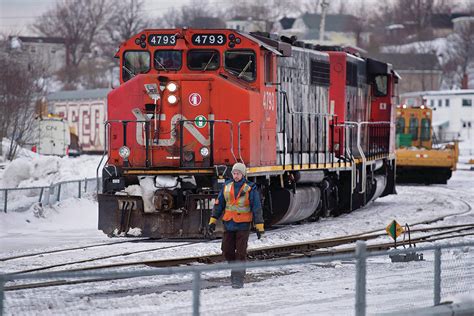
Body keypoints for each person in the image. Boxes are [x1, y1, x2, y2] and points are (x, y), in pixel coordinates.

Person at [208, 162, 264, 288]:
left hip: (243, 226)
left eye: (238, 173)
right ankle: (236, 269)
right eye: (234, 173)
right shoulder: (227, 186)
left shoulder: (250, 188)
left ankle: (238, 278)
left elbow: (256, 207)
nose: (236, 175)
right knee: (226, 251)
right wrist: (212, 221)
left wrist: (259, 226)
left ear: (243, 174)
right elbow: (219, 204)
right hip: (229, 224)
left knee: (240, 253)